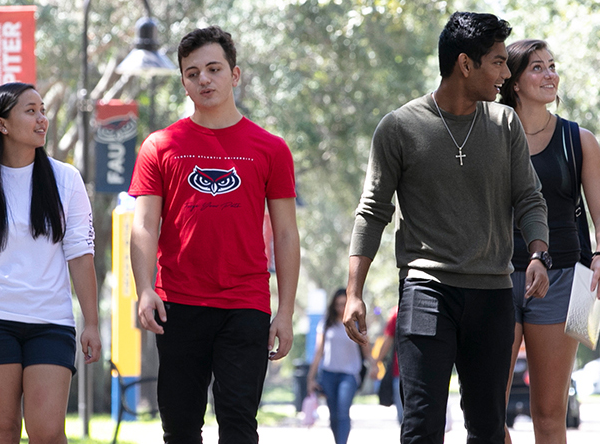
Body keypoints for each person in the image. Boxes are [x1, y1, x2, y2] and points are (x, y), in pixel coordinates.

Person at [343, 12, 551, 444]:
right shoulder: (400, 127)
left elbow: (529, 197)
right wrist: (354, 293)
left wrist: (537, 252)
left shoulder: (504, 124)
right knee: (421, 425)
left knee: (489, 427)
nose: (505, 72)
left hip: (493, 293)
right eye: (497, 61)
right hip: (426, 290)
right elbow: (372, 212)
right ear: (465, 64)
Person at [128, 26, 301, 444]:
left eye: (213, 69)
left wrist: (286, 311)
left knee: (239, 425)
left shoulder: (270, 148)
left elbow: (286, 233)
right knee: (181, 428)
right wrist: (144, 289)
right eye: (192, 73)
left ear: (235, 75)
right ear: (184, 82)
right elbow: (145, 224)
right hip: (178, 304)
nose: (203, 79)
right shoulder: (160, 146)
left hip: (246, 303)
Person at [0, 82, 101, 444]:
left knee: (46, 431)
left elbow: (80, 253)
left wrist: (91, 322)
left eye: (42, 110)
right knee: (3, 430)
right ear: (2, 124)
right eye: (31, 111)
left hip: (50, 322)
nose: (42, 119)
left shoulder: (65, 179)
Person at [495, 38, 600, 444]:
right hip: (493, 278)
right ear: (514, 81)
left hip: (567, 279)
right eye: (537, 67)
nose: (550, 74)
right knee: (487, 410)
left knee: (549, 414)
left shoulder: (578, 139)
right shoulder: (488, 136)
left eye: (552, 66)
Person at [309, 289, 364, 444]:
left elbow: (366, 349)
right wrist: (311, 377)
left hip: (349, 374)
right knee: (333, 414)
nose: (340, 307)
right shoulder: (326, 323)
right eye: (337, 304)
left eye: (343, 304)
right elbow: (318, 352)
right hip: (329, 374)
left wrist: (374, 365)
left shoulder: (356, 324)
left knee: (342, 412)